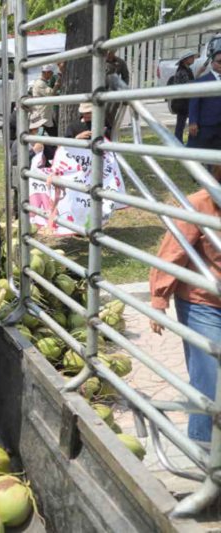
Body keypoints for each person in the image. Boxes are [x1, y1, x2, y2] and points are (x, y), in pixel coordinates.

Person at [149, 165, 221, 445]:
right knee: (210, 377)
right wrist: (159, 298)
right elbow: (173, 252)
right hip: (203, 303)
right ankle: (203, 451)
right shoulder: (198, 204)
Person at [188, 50, 221, 151]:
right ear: (212, 63)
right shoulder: (202, 81)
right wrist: (193, 122)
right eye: (220, 61)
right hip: (205, 126)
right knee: (199, 155)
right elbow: (194, 103)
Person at [172, 50, 198, 144]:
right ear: (185, 60)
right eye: (191, 57)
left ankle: (179, 141)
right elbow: (189, 84)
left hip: (186, 100)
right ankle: (178, 142)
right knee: (181, 123)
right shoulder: (182, 71)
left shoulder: (187, 70)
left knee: (183, 122)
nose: (193, 59)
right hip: (182, 101)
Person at [30, 65, 60, 137]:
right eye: (50, 73)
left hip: (45, 115)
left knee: (51, 134)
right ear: (46, 72)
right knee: (42, 135)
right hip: (42, 116)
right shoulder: (40, 83)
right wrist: (57, 85)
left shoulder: (43, 83)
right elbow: (51, 94)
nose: (52, 75)